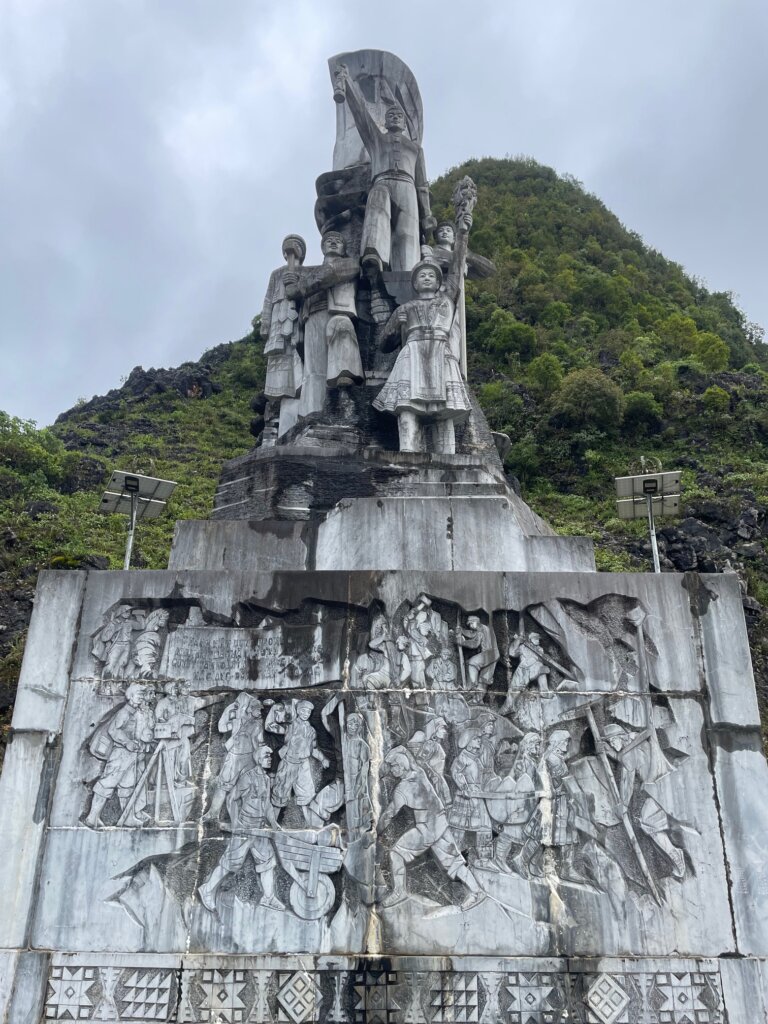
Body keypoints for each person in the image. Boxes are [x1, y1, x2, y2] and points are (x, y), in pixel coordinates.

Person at [333, 64, 435, 274]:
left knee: (407, 232)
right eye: (391, 115)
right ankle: (374, 255)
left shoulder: (415, 149)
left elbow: (422, 185)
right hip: (382, 181)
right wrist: (348, 83)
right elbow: (362, 115)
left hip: (407, 187)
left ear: (404, 123)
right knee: (377, 206)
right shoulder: (377, 139)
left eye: (399, 115)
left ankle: (408, 271)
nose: (395, 116)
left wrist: (426, 214)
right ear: (386, 122)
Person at [373, 249, 472, 454]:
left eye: (431, 275)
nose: (427, 278)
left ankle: (448, 455)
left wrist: (462, 236)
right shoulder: (404, 308)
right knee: (407, 406)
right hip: (412, 355)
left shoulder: (447, 302)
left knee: (445, 409)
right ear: (415, 284)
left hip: (441, 354)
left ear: (438, 282)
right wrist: (394, 325)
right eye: (422, 275)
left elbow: (456, 272)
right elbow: (384, 345)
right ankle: (407, 450)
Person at [378, 747, 485, 910]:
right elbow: (409, 757)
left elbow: (389, 813)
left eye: (394, 766)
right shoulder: (419, 773)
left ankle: (399, 891)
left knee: (396, 853)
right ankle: (476, 891)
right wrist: (397, 752)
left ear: (401, 766)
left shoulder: (402, 789)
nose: (392, 770)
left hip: (426, 830)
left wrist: (376, 830)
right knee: (453, 861)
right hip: (440, 823)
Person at [282, 229, 363, 419]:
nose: (333, 242)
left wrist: (298, 287)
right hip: (312, 315)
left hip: (338, 311)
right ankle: (312, 411)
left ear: (344, 248)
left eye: (338, 241)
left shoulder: (349, 264)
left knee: (342, 331)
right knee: (313, 368)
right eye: (328, 241)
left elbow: (329, 274)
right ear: (322, 247)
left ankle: (344, 392)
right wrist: (291, 281)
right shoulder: (310, 273)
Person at [198, 744, 284, 913]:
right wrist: (236, 822)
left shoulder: (266, 780)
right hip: (245, 827)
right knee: (230, 861)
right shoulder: (248, 777)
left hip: (259, 828)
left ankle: (268, 897)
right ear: (258, 759)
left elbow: (266, 804)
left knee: (267, 861)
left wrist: (274, 823)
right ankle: (207, 889)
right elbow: (231, 799)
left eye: (270, 757)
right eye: (266, 756)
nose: (269, 759)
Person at [85, 683, 155, 828]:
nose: (141, 697)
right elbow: (113, 730)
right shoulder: (125, 712)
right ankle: (92, 817)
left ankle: (127, 818)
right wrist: (127, 742)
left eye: (143, 695)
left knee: (127, 786)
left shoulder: (138, 712)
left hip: (133, 755)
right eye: (139, 694)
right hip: (120, 754)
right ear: (131, 696)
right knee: (107, 784)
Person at [261, 235, 307, 438]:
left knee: (297, 359)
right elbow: (268, 299)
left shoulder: (305, 272)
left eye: (297, 244)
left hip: (297, 320)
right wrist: (265, 322)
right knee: (279, 360)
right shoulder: (276, 274)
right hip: (277, 321)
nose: (292, 247)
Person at [204, 694, 264, 823]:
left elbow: (259, 742)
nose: (260, 712)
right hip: (234, 756)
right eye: (257, 709)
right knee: (223, 785)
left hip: (250, 758)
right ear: (249, 709)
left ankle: (244, 818)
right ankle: (213, 813)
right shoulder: (236, 719)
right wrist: (232, 716)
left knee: (247, 788)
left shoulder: (257, 724)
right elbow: (221, 727)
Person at [269, 700, 330, 824]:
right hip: (288, 763)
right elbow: (269, 726)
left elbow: (314, 749)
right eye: (303, 711)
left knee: (307, 795)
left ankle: (310, 824)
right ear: (297, 711)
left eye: (308, 712)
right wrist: (273, 709)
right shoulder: (290, 726)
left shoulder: (311, 730)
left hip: (303, 765)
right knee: (279, 794)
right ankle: (272, 823)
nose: (306, 714)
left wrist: (323, 759)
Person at [448, 729, 494, 865]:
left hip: (478, 795)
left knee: (485, 826)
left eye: (479, 738)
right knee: (458, 829)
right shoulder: (463, 757)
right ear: (467, 741)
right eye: (475, 738)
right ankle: (452, 857)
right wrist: (464, 787)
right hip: (465, 797)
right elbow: (455, 771)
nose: (479, 740)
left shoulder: (476, 758)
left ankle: (485, 859)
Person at [500, 633, 551, 716]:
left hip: (534, 668)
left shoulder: (540, 649)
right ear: (531, 639)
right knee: (514, 689)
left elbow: (543, 659)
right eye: (536, 638)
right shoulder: (523, 647)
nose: (538, 640)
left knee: (542, 669)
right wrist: (517, 641)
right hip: (523, 670)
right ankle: (508, 707)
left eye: (538, 639)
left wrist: (546, 657)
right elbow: (512, 653)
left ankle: (544, 691)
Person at [454, 616, 500, 699]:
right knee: (484, 679)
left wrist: (462, 642)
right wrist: (462, 631)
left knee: (472, 662)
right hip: (495, 655)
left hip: (490, 653)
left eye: (471, 624)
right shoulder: (484, 628)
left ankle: (472, 686)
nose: (470, 626)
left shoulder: (481, 628)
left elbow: (475, 643)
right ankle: (477, 700)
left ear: (476, 622)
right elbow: (472, 633)